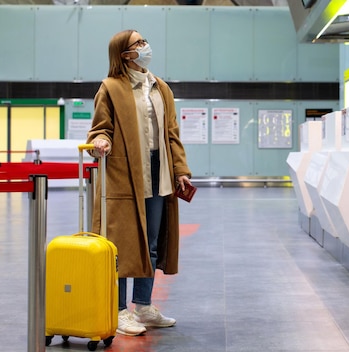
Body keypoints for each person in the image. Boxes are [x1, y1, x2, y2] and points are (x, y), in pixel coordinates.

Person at [86, 29, 192, 336]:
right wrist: (102, 140)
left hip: (158, 172)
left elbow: (171, 133)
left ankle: (143, 307)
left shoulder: (160, 88)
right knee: (120, 247)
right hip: (124, 174)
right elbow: (100, 128)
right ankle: (119, 311)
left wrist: (180, 169)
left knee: (152, 243)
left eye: (144, 41)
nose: (145, 47)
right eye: (138, 43)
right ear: (124, 54)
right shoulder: (110, 88)